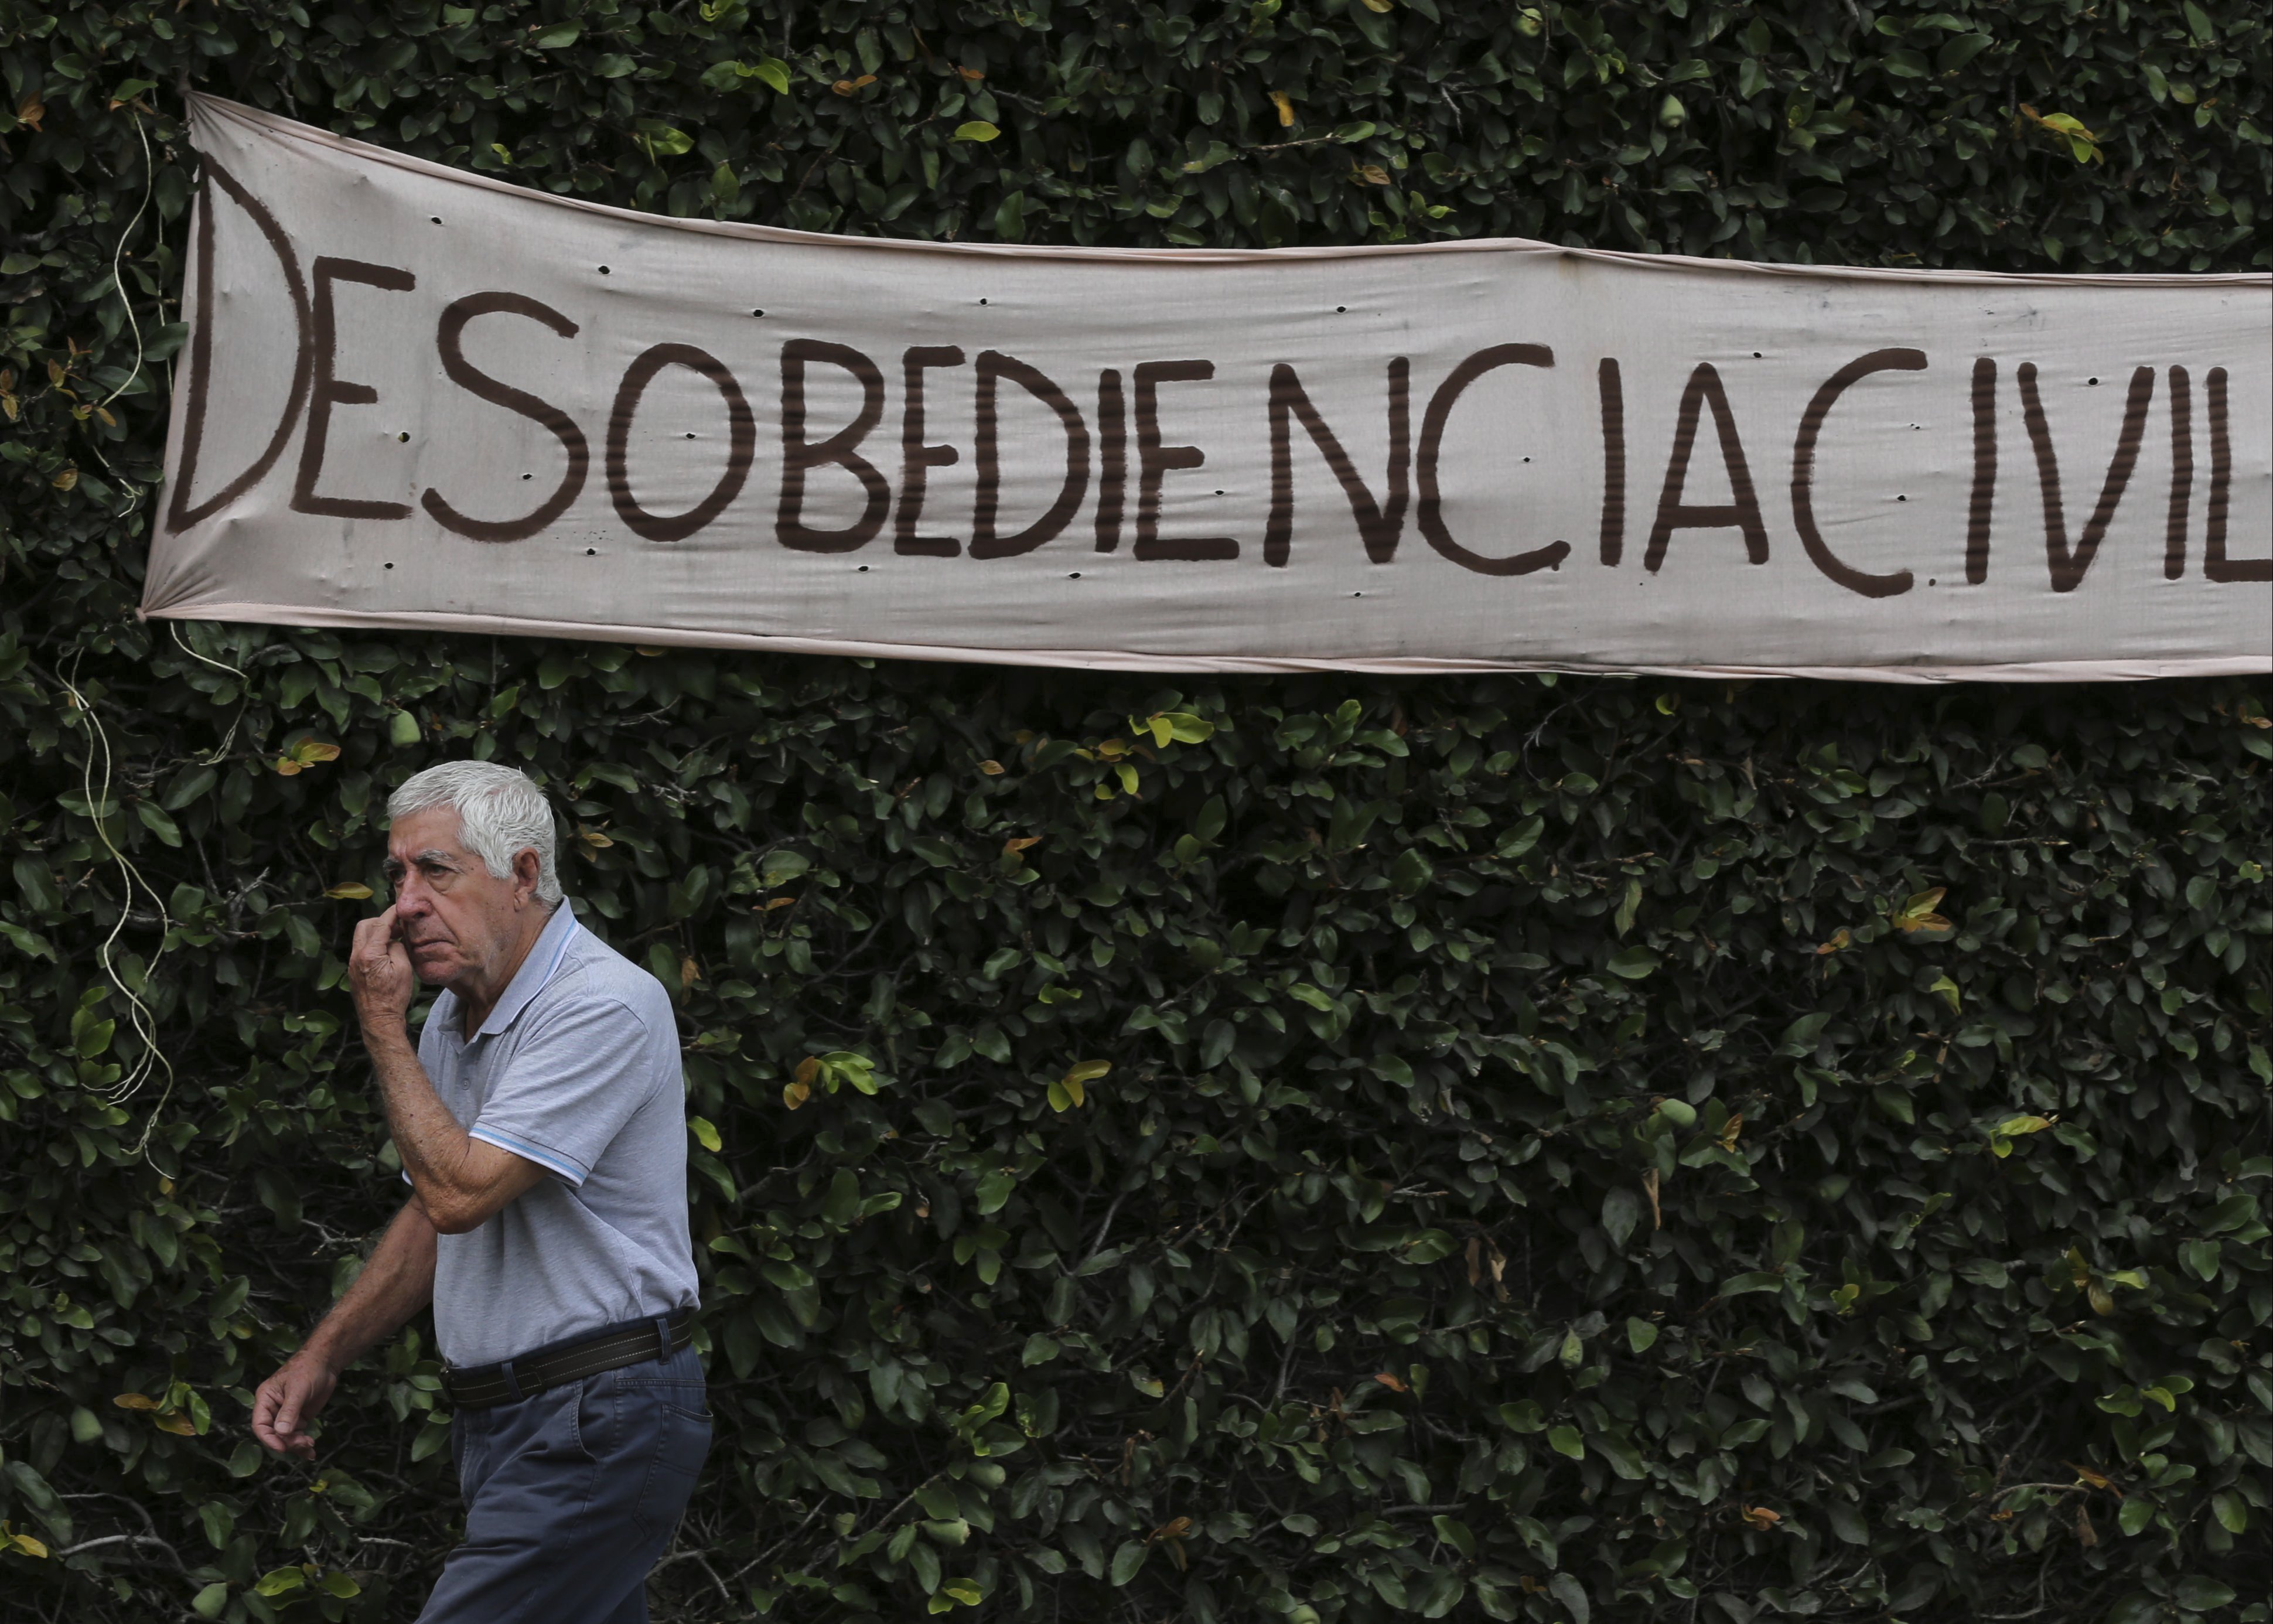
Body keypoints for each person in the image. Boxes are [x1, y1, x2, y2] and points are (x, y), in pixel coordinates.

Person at [250, 760, 707, 1623]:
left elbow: (460, 1197)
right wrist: (323, 1356)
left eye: (436, 871)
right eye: (397, 875)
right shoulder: (453, 1019)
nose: (406, 904)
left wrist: (380, 1023)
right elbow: (435, 1215)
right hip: (511, 1421)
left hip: (599, 1414)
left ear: (523, 873)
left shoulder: (601, 1003)